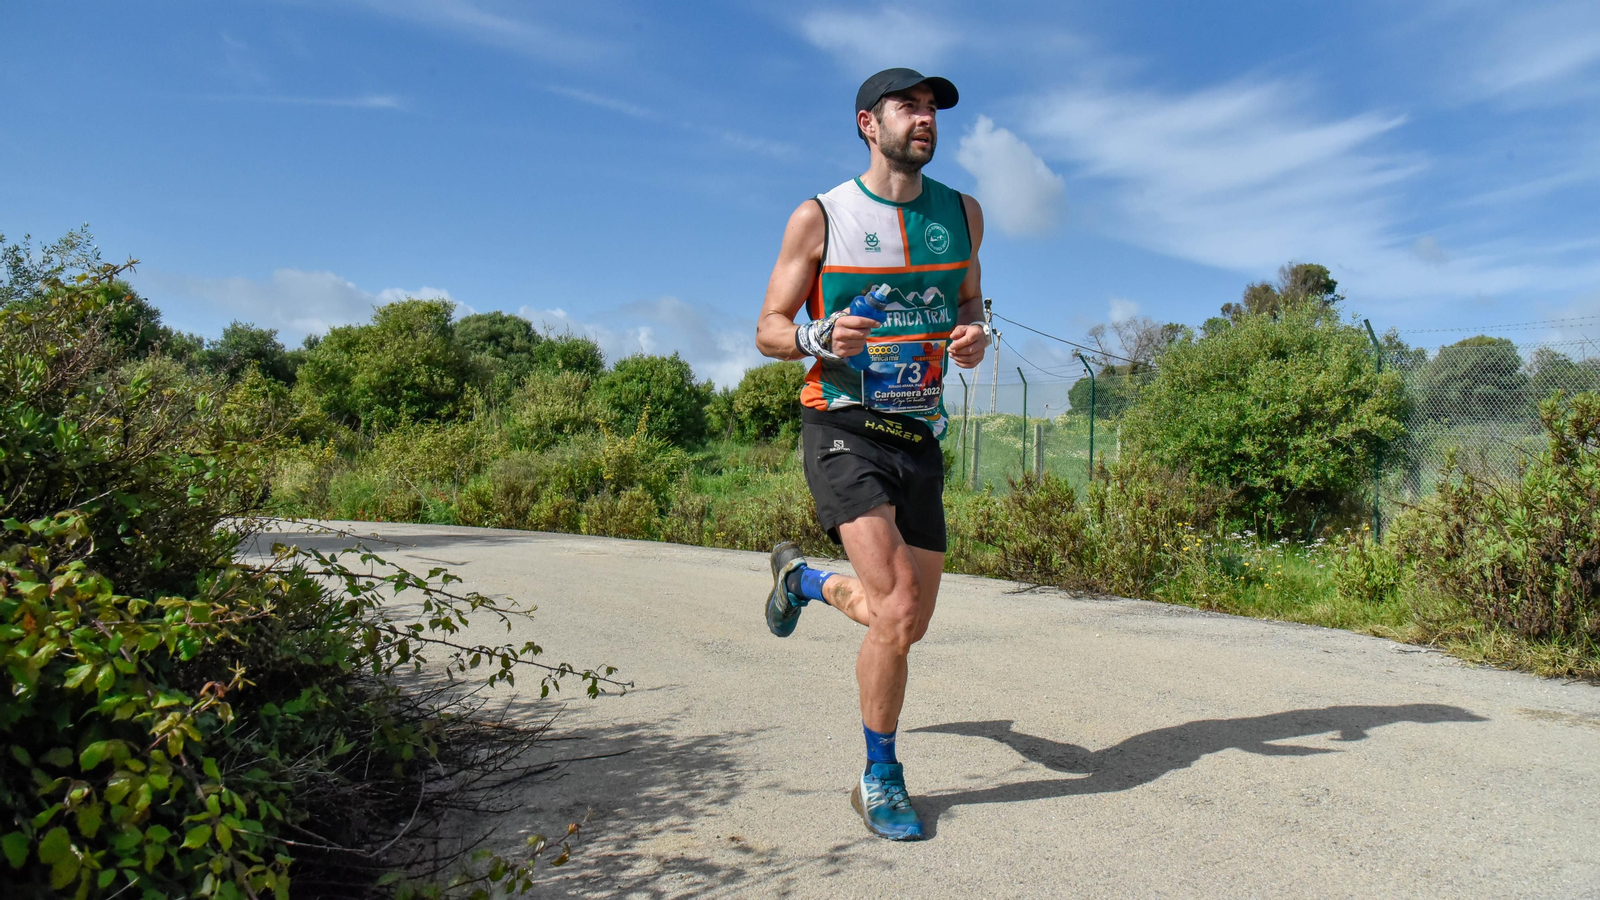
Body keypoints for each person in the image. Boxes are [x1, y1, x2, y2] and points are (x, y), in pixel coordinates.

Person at [754, 67, 989, 841]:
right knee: (895, 609)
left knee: (906, 622)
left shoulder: (963, 215)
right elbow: (770, 330)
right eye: (908, 107)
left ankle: (804, 581)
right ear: (868, 123)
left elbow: (968, 304)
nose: (924, 119)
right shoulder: (820, 217)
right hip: (843, 427)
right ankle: (878, 778)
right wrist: (818, 336)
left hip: (917, 432)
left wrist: (975, 335)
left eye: (932, 110)